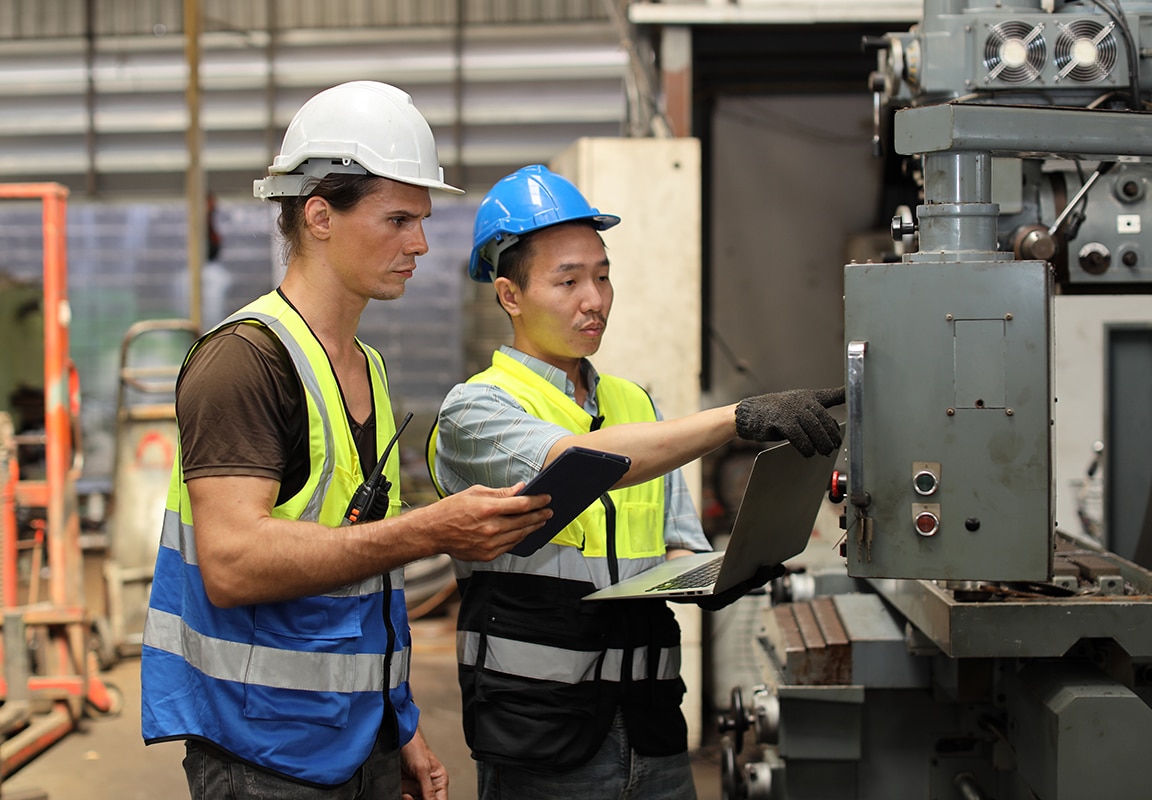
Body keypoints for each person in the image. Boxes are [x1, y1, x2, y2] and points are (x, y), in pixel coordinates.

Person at [140, 81, 553, 800]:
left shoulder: (367, 366)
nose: (420, 243)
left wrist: (399, 724)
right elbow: (232, 563)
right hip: (262, 752)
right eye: (398, 219)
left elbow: (360, 576)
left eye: (421, 220)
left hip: (357, 741)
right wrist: (431, 530)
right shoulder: (243, 361)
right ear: (320, 215)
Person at [427, 164, 844, 799]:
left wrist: (722, 572)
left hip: (652, 724)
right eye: (568, 281)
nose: (594, 299)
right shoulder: (476, 410)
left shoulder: (636, 405)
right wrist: (734, 418)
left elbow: (677, 545)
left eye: (602, 276)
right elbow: (577, 460)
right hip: (542, 733)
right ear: (510, 295)